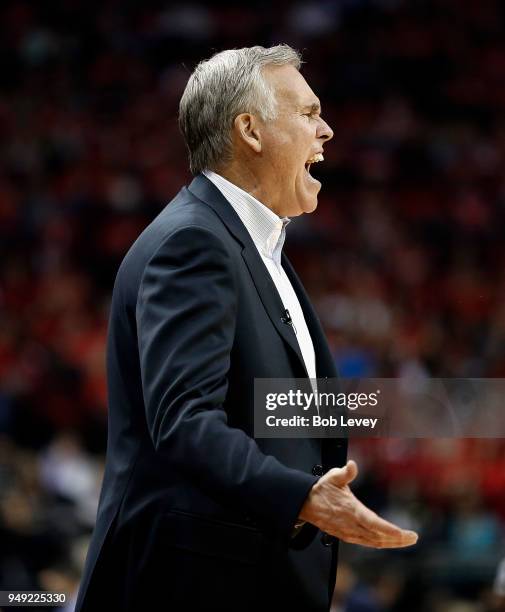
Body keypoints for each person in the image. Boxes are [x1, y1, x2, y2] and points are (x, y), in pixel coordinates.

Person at [75, 44, 417, 612]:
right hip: (188, 585)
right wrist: (302, 496)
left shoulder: (254, 249)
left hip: (252, 577)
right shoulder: (195, 243)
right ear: (250, 131)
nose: (327, 130)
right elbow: (184, 420)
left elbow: (265, 408)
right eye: (308, 114)